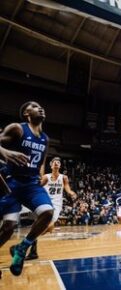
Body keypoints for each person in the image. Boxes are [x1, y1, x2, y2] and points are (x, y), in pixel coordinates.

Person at [0, 101, 54, 276]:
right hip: (12, 182)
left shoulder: (45, 138)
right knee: (8, 227)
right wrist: (4, 152)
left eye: (41, 105)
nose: (40, 107)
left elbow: (42, 160)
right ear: (26, 114)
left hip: (31, 183)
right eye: (34, 106)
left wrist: (41, 175)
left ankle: (22, 248)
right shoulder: (18, 129)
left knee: (47, 213)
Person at [23, 157, 78, 260]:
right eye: (54, 162)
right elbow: (38, 187)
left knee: (42, 228)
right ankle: (33, 252)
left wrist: (71, 193)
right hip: (45, 203)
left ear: (60, 165)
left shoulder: (63, 177)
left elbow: (67, 189)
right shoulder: (46, 177)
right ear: (51, 165)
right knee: (35, 227)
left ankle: (33, 247)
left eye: (58, 162)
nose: (56, 163)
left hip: (56, 205)